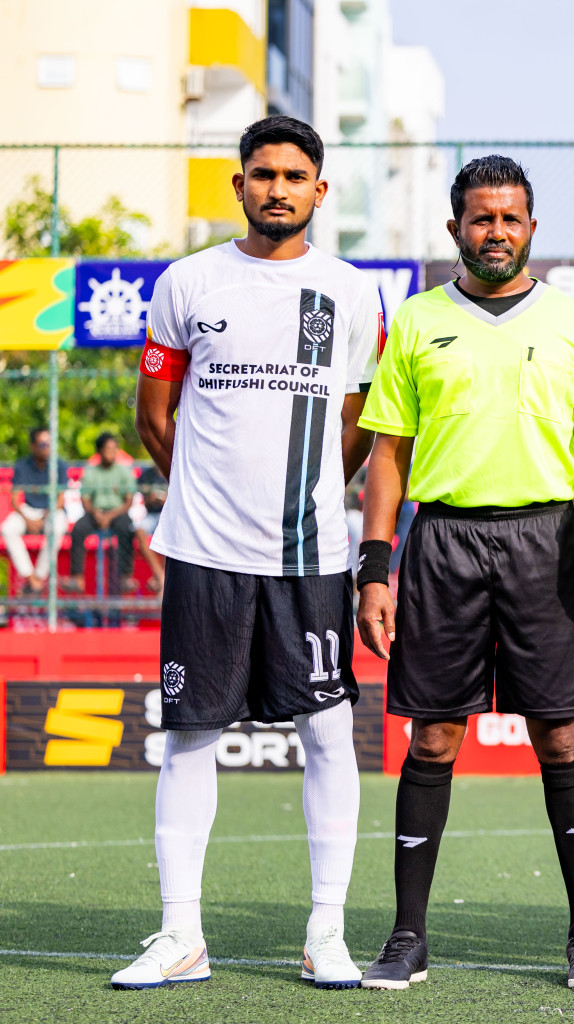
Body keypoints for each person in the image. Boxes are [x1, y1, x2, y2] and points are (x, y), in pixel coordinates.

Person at [113, 115, 382, 990]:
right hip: (205, 551)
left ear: (319, 190)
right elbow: (154, 417)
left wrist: (304, 497)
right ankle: (180, 935)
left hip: (310, 555)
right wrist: (210, 495)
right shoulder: (187, 282)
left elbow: (355, 428)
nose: (278, 189)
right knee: (191, 734)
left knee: (328, 732)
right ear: (239, 185)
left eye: (295, 176)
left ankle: (326, 932)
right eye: (263, 174)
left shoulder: (350, 294)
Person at [354, 155, 574, 990]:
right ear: (456, 228)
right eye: (481, 218)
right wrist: (374, 570)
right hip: (443, 543)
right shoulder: (418, 320)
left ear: (531, 228)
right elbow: (388, 454)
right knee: (434, 737)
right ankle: (407, 934)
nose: (496, 232)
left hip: (548, 543)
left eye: (510, 219)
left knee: (560, 737)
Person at [66, 432, 138, 592]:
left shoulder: (124, 472)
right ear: (99, 451)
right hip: (95, 513)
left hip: (117, 513)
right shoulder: (91, 472)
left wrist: (110, 515)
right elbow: (85, 500)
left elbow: (128, 502)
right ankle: (77, 577)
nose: (112, 452)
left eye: (114, 448)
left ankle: (126, 577)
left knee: (126, 528)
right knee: (78, 529)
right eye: (108, 449)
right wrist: (96, 513)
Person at [2, 427, 67, 592]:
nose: (47, 448)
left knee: (57, 527)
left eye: (50, 444)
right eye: (43, 444)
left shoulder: (59, 465)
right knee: (7, 529)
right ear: (33, 446)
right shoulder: (22, 465)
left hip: (51, 511)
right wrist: (28, 519)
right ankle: (30, 577)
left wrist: (43, 518)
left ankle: (38, 577)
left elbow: (60, 501)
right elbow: (15, 500)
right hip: (28, 510)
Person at [135, 462, 168, 592]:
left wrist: (165, 499)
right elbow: (143, 499)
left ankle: (160, 577)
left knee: (167, 535)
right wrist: (152, 498)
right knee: (139, 531)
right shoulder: (147, 474)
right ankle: (159, 574)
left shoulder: (173, 470)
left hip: (168, 514)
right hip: (151, 514)